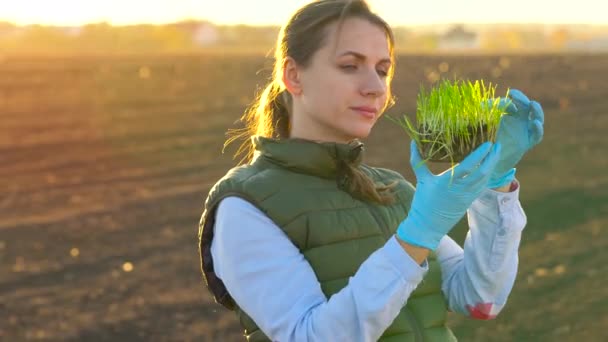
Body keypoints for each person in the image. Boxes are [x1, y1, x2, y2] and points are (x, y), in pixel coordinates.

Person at [197, 1, 545, 341]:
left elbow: (480, 298)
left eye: (382, 70)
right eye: (350, 66)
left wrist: (495, 185)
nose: (376, 88)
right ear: (293, 75)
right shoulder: (244, 208)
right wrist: (417, 235)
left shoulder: (392, 189)